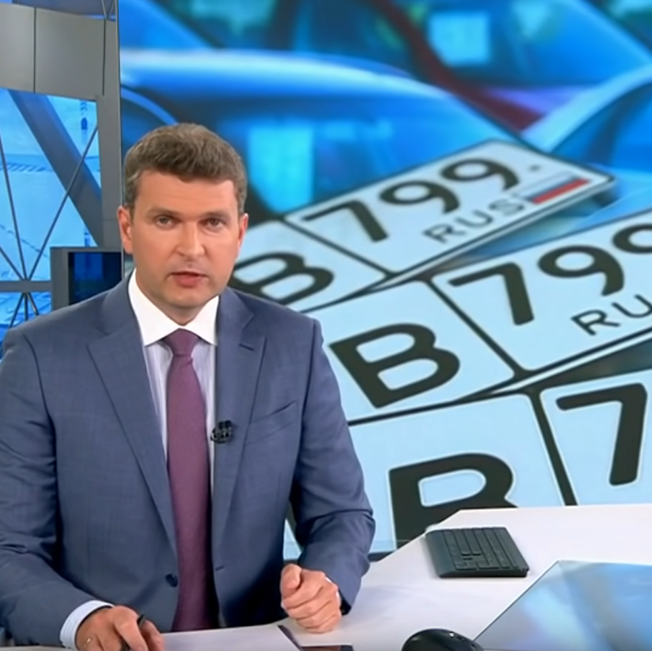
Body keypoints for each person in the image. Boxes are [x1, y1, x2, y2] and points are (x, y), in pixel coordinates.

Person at [0, 123, 375, 651]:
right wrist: (82, 620)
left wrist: (326, 580)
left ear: (239, 233)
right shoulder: (41, 355)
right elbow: (10, 548)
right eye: (166, 221)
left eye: (212, 223)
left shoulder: (293, 344)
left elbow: (341, 514)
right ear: (127, 228)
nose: (191, 247)